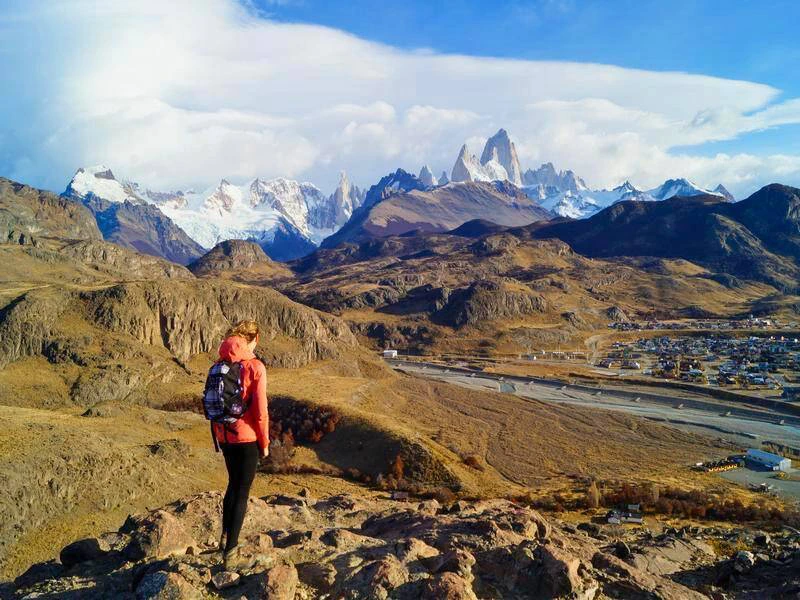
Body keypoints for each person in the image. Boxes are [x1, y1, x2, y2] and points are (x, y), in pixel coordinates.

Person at [213, 320, 269, 570]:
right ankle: (231, 555)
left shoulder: (218, 365)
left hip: (225, 436)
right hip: (246, 438)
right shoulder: (255, 367)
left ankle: (224, 540)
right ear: (253, 338)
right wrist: (264, 443)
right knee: (242, 491)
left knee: (232, 485)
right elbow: (260, 412)